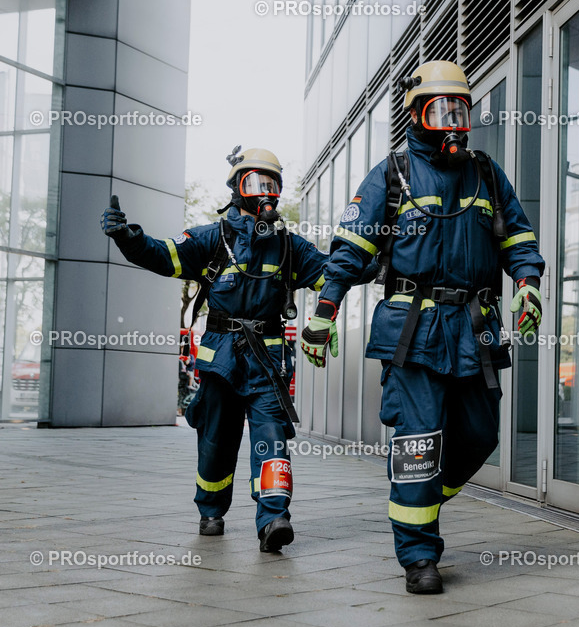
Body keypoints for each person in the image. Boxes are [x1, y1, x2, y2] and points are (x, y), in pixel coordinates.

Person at [300, 60, 545, 593]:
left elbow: (518, 238)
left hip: (474, 327)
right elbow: (351, 250)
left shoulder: (486, 174)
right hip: (412, 327)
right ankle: (418, 556)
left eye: (461, 109)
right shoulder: (392, 175)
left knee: (482, 435)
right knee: (419, 441)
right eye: (442, 109)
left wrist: (527, 281)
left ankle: (421, 497)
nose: (454, 120)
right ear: (417, 114)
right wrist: (325, 309)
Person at [101, 147, 328, 552]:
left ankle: (274, 516)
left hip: (268, 364)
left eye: (272, 184)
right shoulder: (212, 238)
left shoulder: (290, 247)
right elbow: (163, 255)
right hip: (221, 359)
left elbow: (333, 272)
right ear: (237, 190)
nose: (267, 193)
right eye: (257, 183)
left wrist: (375, 256)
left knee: (271, 437)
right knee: (217, 440)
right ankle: (211, 510)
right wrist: (127, 237)